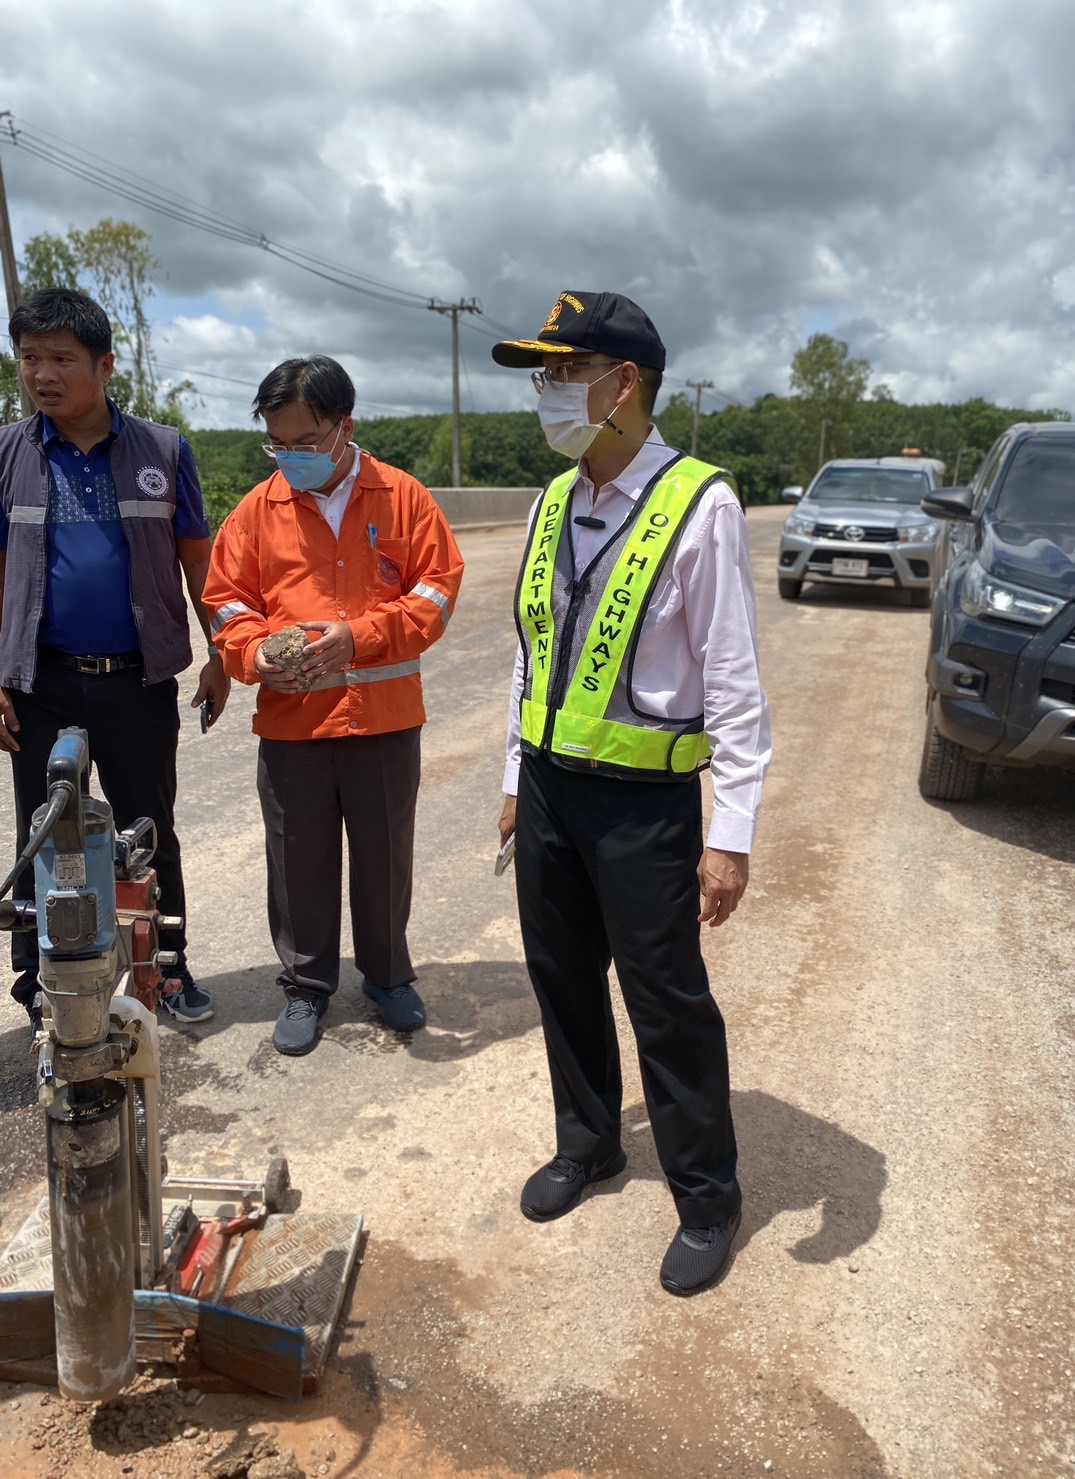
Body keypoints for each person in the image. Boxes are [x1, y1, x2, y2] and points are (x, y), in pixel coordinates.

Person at [492, 290, 771, 1296]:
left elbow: (733, 681)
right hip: (550, 793)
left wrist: (729, 833)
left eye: (563, 373)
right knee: (560, 978)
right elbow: (533, 652)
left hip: (643, 806)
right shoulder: (552, 501)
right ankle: (589, 1141)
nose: (547, 392)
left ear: (623, 383)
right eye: (543, 375)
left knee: (665, 999)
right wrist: (513, 775)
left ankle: (707, 1195)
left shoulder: (700, 504)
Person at [204, 356, 463, 1056]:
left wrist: (361, 637)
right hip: (292, 727)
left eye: (305, 442)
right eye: (276, 444)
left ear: (345, 427)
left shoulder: (403, 498)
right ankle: (306, 984)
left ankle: (387, 975)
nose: (291, 457)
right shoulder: (256, 512)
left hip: (383, 721)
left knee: (384, 856)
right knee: (298, 861)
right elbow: (226, 601)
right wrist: (252, 653)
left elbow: (437, 593)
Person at [0, 288, 229, 1025]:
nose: (42, 374)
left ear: (104, 366)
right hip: (39, 683)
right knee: (44, 833)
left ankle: (167, 967)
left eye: (61, 358)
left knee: (147, 827)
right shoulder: (7, 452)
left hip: (137, 681)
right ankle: (40, 983)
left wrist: (219, 649)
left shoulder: (164, 451)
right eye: (29, 358)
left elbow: (198, 561)